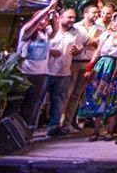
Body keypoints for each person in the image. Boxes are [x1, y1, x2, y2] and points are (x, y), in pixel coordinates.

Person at [80, 10, 117, 140]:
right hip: (102, 67)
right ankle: (96, 131)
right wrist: (89, 67)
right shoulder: (106, 35)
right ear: (114, 21)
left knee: (114, 97)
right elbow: (98, 51)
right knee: (98, 96)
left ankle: (110, 131)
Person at [13, 0, 59, 129]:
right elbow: (34, 22)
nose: (43, 22)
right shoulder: (26, 31)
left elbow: (55, 30)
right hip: (24, 73)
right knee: (15, 104)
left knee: (31, 104)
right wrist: (48, 7)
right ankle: (10, 130)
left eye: (46, 20)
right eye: (41, 19)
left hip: (40, 74)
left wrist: (53, 14)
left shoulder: (45, 33)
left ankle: (24, 130)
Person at [45, 8, 84, 137]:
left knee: (58, 100)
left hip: (63, 72)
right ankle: (31, 126)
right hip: (45, 71)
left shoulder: (76, 32)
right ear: (60, 17)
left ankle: (53, 127)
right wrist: (50, 52)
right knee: (40, 101)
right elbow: (40, 45)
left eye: (74, 17)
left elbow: (80, 47)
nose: (72, 20)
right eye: (69, 17)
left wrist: (77, 50)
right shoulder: (50, 30)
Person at [65, 3, 102, 131]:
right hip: (73, 63)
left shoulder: (100, 28)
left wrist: (96, 43)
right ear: (85, 13)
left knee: (77, 95)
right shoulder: (76, 27)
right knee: (67, 93)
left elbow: (101, 47)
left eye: (97, 12)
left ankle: (68, 123)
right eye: (94, 12)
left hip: (88, 64)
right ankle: (58, 122)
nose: (96, 14)